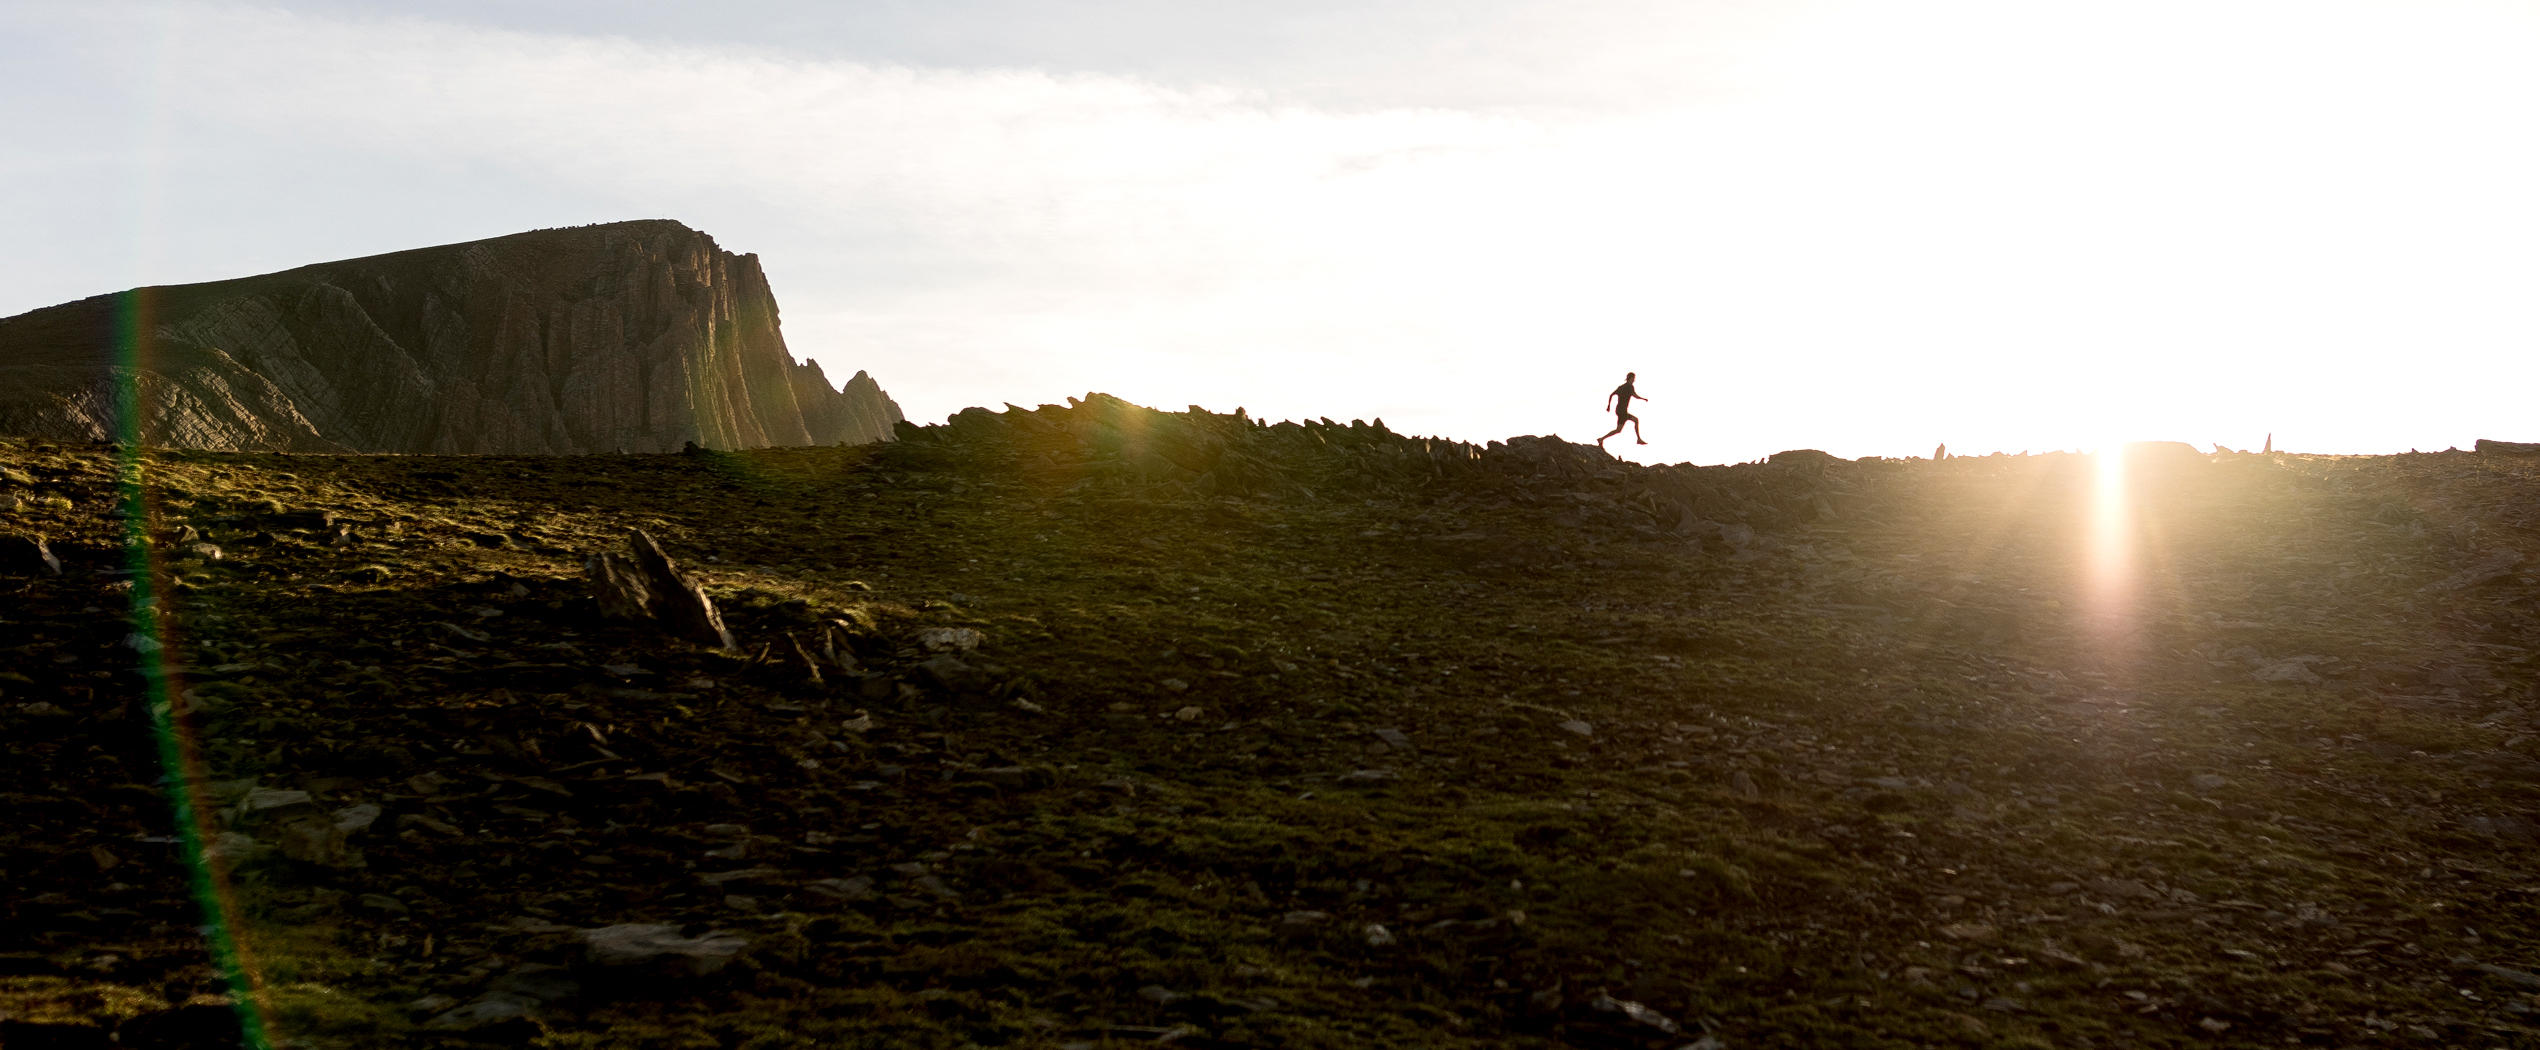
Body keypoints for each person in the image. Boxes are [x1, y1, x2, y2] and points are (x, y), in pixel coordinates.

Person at [1599, 372, 1648, 449]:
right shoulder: (1629, 387)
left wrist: (1609, 406)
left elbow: (1611, 395)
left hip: (1619, 410)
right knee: (1619, 429)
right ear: (1631, 378)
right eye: (1633, 378)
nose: (1634, 380)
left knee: (1634, 421)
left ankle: (1638, 439)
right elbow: (1634, 395)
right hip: (1622, 412)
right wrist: (1643, 398)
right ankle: (1601, 439)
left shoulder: (1621, 387)